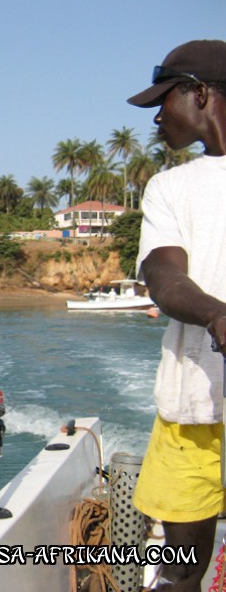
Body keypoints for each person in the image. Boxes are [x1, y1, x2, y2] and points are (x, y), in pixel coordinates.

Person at [128, 39, 226, 591]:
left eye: (164, 101)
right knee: (179, 574)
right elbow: (164, 278)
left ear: (202, 94)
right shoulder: (168, 187)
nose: (158, 116)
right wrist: (216, 314)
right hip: (192, 408)